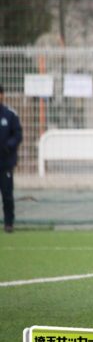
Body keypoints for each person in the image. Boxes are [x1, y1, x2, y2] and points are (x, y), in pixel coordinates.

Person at [0, 84, 22, 233]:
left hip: (5, 163)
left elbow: (18, 135)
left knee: (7, 195)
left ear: (2, 95)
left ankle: (9, 223)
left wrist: (8, 146)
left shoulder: (10, 115)